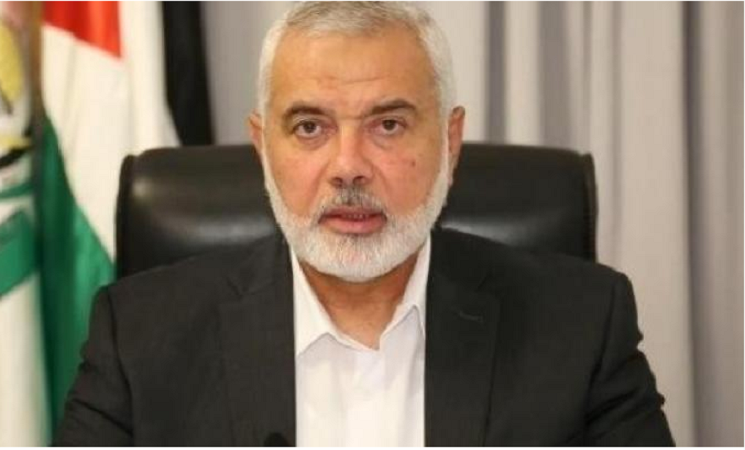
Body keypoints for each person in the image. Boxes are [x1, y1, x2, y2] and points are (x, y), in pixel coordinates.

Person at [55, 2, 673, 446]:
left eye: (388, 125)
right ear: (262, 148)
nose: (348, 166)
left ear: (450, 142)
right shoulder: (140, 339)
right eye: (309, 127)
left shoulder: (582, 327)